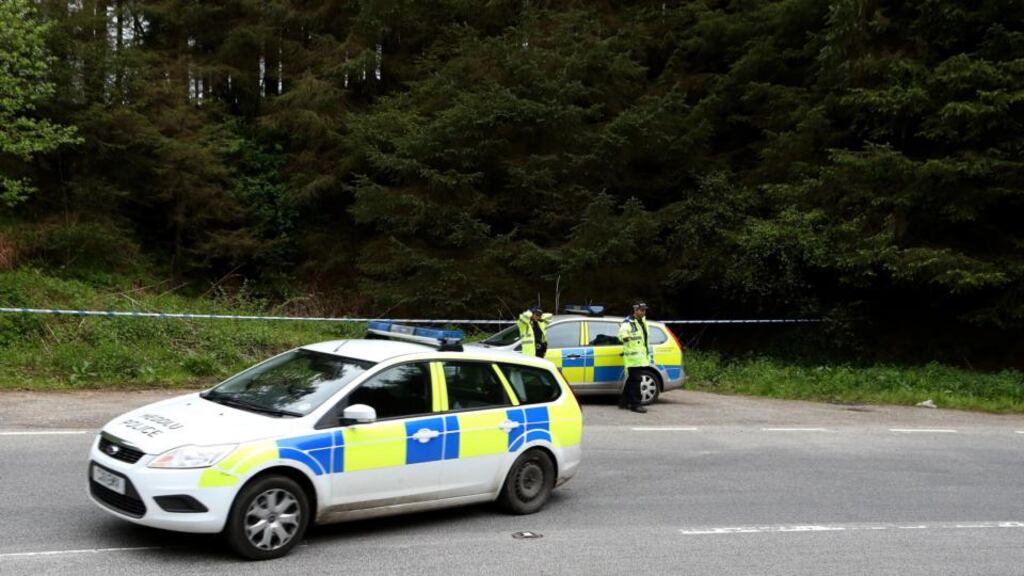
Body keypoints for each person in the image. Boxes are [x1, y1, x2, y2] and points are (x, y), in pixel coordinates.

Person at [618, 300, 652, 413]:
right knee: (636, 381)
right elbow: (621, 334)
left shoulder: (643, 321)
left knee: (632, 379)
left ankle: (624, 402)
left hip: (641, 356)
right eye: (642, 310)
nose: (644, 312)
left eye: (644, 310)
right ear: (635, 310)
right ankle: (636, 404)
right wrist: (625, 337)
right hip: (633, 358)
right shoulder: (628, 322)